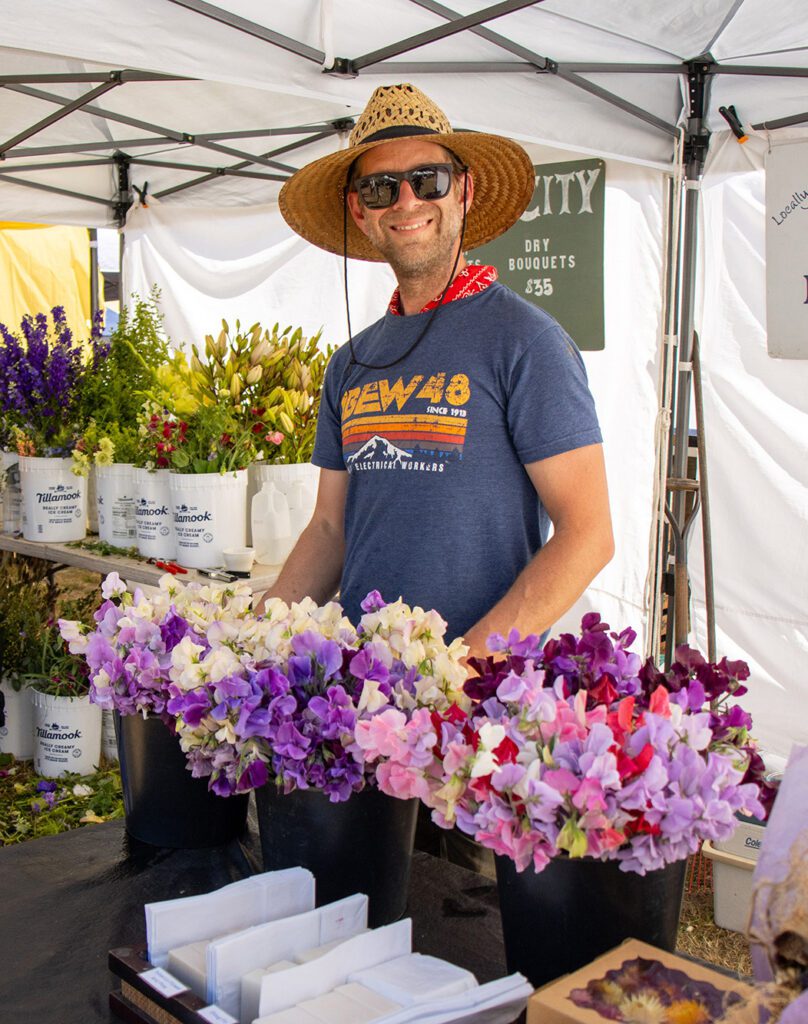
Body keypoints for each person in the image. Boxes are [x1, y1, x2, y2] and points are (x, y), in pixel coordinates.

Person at [260, 82, 613, 659]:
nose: (406, 201)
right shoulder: (349, 363)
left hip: (474, 694)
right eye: (379, 187)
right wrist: (258, 631)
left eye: (429, 180)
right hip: (362, 682)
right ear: (359, 211)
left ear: (464, 191)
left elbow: (588, 535)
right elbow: (329, 530)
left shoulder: (527, 343)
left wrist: (463, 669)